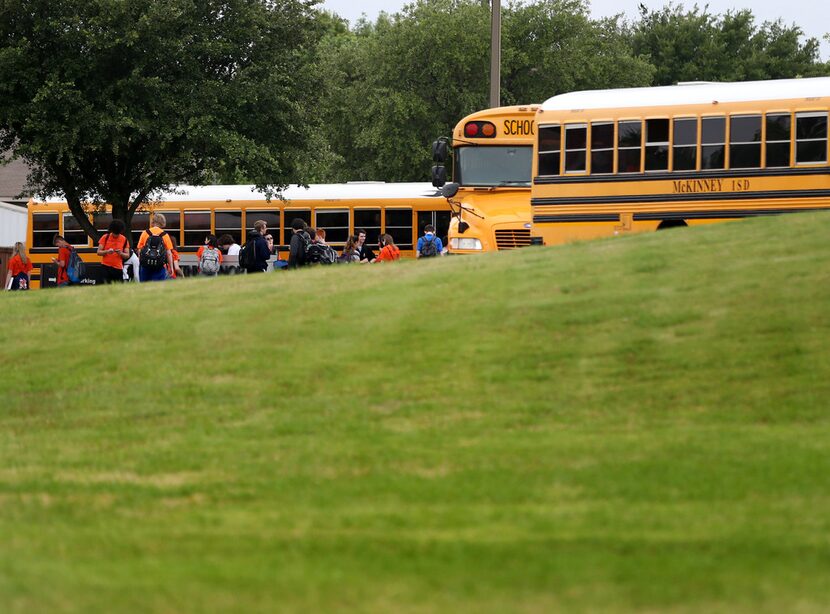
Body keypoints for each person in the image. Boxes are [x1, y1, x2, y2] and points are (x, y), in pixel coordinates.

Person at [136, 213, 174, 282]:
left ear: (152, 221)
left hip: (145, 266)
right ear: (163, 222)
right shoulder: (165, 235)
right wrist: (171, 267)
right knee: (158, 288)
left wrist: (140, 262)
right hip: (159, 266)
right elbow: (169, 253)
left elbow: (139, 250)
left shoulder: (145, 233)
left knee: (144, 287)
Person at [96, 219, 130, 284]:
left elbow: (127, 255)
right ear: (111, 231)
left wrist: (121, 253)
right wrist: (107, 251)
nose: (116, 235)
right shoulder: (105, 237)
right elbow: (98, 252)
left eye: (118, 234)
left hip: (118, 268)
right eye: (114, 233)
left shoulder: (124, 239)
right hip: (105, 267)